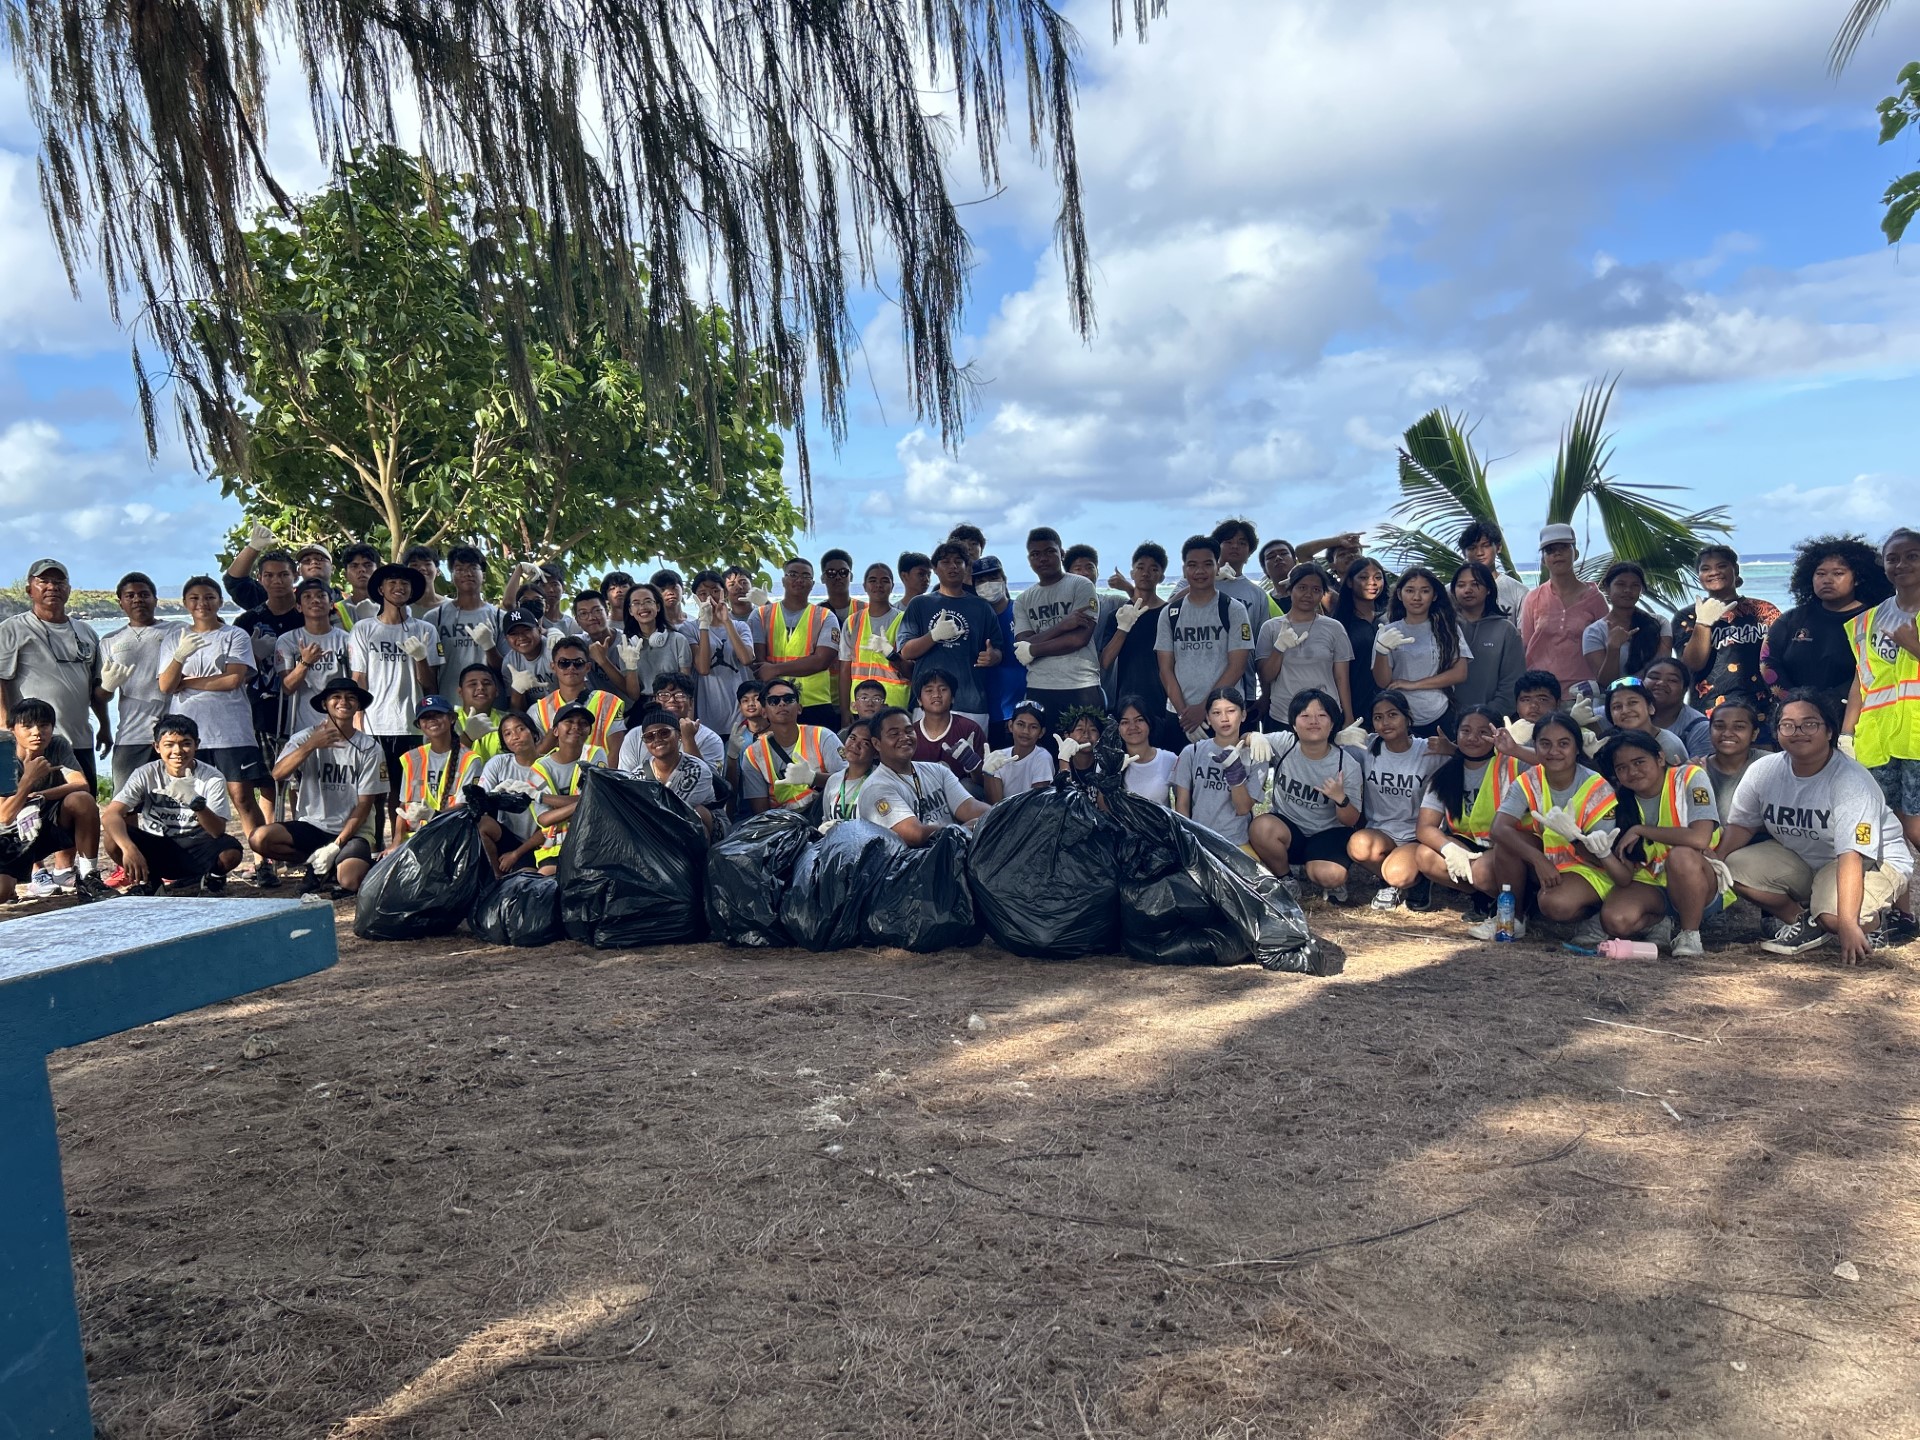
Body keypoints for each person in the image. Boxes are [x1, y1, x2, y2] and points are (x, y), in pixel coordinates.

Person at [1721, 690, 1914, 962]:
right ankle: (1804, 922)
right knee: (1731, 866)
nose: (1798, 731)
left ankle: (1870, 923)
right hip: (1807, 860)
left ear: (1829, 732)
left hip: (1872, 860)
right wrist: (1713, 861)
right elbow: (1741, 825)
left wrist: (1847, 924)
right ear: (1776, 733)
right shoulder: (1764, 770)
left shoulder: (1850, 781)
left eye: (1810, 723)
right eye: (1787, 724)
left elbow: (1851, 856)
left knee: (1835, 917)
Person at [159, 574, 274, 867]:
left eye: (209, 597)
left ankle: (263, 862)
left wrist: (190, 681)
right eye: (194, 598)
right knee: (191, 799)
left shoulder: (234, 635)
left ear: (220, 601)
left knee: (242, 797)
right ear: (185, 603)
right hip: (186, 732)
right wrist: (179, 659)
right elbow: (166, 685)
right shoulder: (175, 636)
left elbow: (233, 679)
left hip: (230, 731)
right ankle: (203, 862)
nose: (202, 603)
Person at [1590, 730, 1730, 958]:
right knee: (1616, 920)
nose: (1632, 772)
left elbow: (1699, 838)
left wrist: (1641, 830)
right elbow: (1626, 870)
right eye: (1622, 767)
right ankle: (1660, 922)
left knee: (1681, 855)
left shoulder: (1689, 777)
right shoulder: (1621, 800)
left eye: (1639, 762)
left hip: (1698, 879)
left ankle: (1690, 934)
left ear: (1660, 758)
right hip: (1652, 881)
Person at [1488, 710, 1619, 945]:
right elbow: (1498, 828)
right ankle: (1513, 920)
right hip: (1550, 860)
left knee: (1555, 904)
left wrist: (1574, 838)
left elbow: (1601, 858)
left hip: (1588, 866)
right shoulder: (1530, 778)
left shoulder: (1597, 787)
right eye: (1545, 744)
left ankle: (1595, 914)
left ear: (1577, 748)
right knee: (1506, 844)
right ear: (1535, 748)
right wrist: (1539, 860)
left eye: (1564, 744)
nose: (1554, 752)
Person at [249, 676, 387, 896]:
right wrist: (311, 745)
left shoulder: (369, 747)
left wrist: (336, 845)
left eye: (351, 698)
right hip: (312, 824)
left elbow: (364, 804)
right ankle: (313, 865)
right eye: (336, 697)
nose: (344, 702)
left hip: (352, 830)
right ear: (324, 704)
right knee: (260, 838)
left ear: (358, 705)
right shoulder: (303, 737)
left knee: (350, 881)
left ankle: (336, 864)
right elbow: (278, 774)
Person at [1842, 528, 1920, 885]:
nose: (1901, 564)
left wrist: (1912, 645)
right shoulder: (1868, 620)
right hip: (1877, 739)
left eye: (1912, 556)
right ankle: (1901, 913)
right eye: (1893, 558)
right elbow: (1862, 678)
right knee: (1887, 829)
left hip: (1917, 738)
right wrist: (1846, 733)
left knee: (1915, 827)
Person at [349, 561, 443, 841]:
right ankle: (373, 846)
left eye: (404, 583)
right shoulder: (364, 629)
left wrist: (421, 657)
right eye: (392, 582)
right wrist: (357, 722)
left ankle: (398, 846)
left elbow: (431, 685)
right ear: (381, 588)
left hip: (411, 724)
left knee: (404, 794)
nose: (399, 587)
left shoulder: (425, 629)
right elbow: (359, 678)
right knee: (374, 792)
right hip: (374, 722)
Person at [101, 713, 243, 893]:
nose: (178, 751)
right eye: (169, 745)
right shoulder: (145, 773)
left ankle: (211, 878)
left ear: (196, 745)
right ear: (157, 747)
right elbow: (109, 816)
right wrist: (129, 849)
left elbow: (217, 831)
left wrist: (195, 802)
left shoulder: (212, 777)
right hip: (157, 844)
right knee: (112, 839)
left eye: (185, 743)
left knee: (231, 852)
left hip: (195, 843)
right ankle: (151, 881)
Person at [0, 558, 108, 786]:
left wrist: (105, 727)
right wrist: (5, 730)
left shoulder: (86, 632)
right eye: (44, 581)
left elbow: (94, 687)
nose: (53, 587)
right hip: (32, 742)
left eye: (59, 582)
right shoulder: (12, 629)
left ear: (68, 589)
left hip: (79, 739)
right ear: (30, 589)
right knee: (25, 809)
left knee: (82, 802)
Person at [1254, 690, 1366, 899]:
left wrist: (1340, 798)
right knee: (1260, 827)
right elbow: (1247, 740)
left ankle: (1315, 867)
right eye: (1305, 716)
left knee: (1330, 877)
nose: (1313, 721)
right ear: (1294, 725)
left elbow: (1351, 818)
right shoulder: (1285, 743)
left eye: (1322, 716)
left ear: (1332, 724)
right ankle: (1286, 878)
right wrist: (1254, 736)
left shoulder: (1346, 763)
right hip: (1289, 829)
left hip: (1327, 833)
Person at [0, 698, 111, 901]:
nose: (37, 732)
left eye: (44, 726)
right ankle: (23, 878)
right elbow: (4, 816)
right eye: (27, 726)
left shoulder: (57, 745)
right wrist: (28, 779)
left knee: (82, 800)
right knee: (2, 892)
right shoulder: (4, 754)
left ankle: (88, 877)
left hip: (43, 822)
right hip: (9, 836)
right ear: (12, 729)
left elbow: (80, 784)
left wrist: (37, 797)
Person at [1347, 690, 1449, 911]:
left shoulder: (1429, 750)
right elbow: (1326, 751)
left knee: (1398, 874)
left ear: (1407, 717)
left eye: (1392, 715)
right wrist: (1338, 737)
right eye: (1378, 717)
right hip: (1381, 832)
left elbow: (1472, 762)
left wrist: (1453, 749)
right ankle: (1393, 882)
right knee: (1357, 846)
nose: (1385, 723)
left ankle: (1418, 878)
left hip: (1417, 836)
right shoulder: (1366, 747)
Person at [1762, 534, 1889, 711]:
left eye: (1838, 573)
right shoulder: (1791, 619)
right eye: (1820, 573)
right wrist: (1796, 702)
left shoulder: (1875, 620)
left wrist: (1829, 702)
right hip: (1794, 716)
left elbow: (1877, 670)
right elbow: (1768, 662)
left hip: (1852, 717)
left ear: (1858, 578)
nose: (1827, 580)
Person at [1413, 706, 1519, 914]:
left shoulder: (1512, 765)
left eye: (1483, 732)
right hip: (1468, 844)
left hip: (1506, 846)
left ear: (1496, 734)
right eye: (1466, 731)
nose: (1473, 738)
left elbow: (1547, 765)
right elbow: (1425, 827)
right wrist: (1449, 849)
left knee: (1481, 871)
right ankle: (1482, 896)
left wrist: (1516, 748)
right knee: (1425, 856)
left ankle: (1514, 904)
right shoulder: (1445, 773)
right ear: (1456, 734)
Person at [1154, 535, 1254, 750]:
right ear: (1184, 569)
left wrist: (1206, 707)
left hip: (1223, 713)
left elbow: (1237, 665)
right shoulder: (1170, 613)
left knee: (1227, 777)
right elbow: (1165, 669)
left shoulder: (1233, 609)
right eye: (1192, 565)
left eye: (1207, 564)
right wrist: (1184, 712)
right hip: (1180, 716)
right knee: (1182, 780)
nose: (1200, 571)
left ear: (1217, 567)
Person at [896, 542, 1002, 731]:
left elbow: (997, 649)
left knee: (973, 760)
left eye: (958, 561)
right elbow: (906, 651)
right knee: (924, 760)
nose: (952, 566)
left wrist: (992, 657)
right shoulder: (919, 604)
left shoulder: (982, 607)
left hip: (971, 704)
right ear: (935, 568)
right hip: (927, 703)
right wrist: (934, 635)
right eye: (945, 562)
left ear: (966, 567)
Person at [858, 707, 992, 846]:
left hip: (953, 853)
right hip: (912, 865)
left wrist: (998, 814)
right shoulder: (875, 788)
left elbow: (969, 808)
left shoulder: (937, 770)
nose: (904, 738)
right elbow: (914, 835)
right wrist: (962, 830)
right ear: (876, 743)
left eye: (909, 731)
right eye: (894, 734)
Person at [227, 548, 307, 779]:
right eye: (269, 575)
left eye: (283, 574)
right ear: (260, 579)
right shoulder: (248, 620)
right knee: (269, 782)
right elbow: (235, 674)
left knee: (304, 778)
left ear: (295, 576)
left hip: (304, 706)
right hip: (262, 710)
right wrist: (254, 657)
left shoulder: (308, 615)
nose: (276, 581)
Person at [100, 572, 183, 792]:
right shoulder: (110, 641)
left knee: (177, 802)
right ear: (121, 603)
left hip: (175, 732)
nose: (138, 599)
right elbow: (101, 696)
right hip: (131, 733)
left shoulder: (177, 630)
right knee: (126, 803)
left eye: (144, 594)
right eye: (130, 595)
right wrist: (107, 686)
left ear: (155, 600)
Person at [1009, 528, 1101, 726]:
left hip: (1081, 684)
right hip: (1039, 686)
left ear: (1062, 553)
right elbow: (1021, 646)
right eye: (1035, 554)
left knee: (1086, 752)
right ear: (1029, 559)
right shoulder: (1023, 600)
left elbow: (1078, 639)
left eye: (1049, 551)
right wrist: (1063, 625)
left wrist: (1032, 649)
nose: (1042, 558)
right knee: (1045, 752)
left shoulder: (1082, 585)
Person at [1673, 544, 1780, 708]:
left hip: (1761, 709)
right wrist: (1703, 622)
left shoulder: (1765, 611)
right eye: (1706, 569)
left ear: (1735, 569)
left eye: (1722, 566)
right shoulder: (1688, 616)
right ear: (1699, 575)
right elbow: (1691, 665)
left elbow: (1782, 659)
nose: (1714, 572)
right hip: (1710, 711)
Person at [1371, 566, 1470, 737]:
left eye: (1424, 591)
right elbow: (1382, 681)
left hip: (1440, 713)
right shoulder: (1388, 631)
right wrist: (1381, 650)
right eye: (1410, 590)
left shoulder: (1448, 629)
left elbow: (1460, 673)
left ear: (1435, 595)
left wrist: (1413, 684)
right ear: (1400, 594)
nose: (1417, 597)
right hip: (1400, 715)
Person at [748, 556, 842, 730]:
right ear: (783, 580)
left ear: (813, 584)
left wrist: (775, 669)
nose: (799, 580)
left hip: (815, 703)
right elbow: (759, 665)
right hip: (776, 702)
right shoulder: (760, 615)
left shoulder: (825, 616)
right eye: (793, 574)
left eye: (806, 576)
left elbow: (822, 661)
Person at [1256, 563, 1354, 728]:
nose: (1308, 594)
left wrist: (1349, 717)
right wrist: (1279, 648)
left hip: (1325, 716)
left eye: (1316, 590)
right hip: (1282, 716)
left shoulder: (1334, 628)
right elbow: (1266, 677)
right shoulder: (1270, 627)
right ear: (1290, 589)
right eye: (1302, 587)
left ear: (1323, 593)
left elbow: (1341, 677)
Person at [1172, 688, 1269, 855]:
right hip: (1199, 841)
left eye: (1231, 711)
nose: (1224, 718)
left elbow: (1243, 808)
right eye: (1216, 713)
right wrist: (1187, 840)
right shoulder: (1192, 752)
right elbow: (1182, 804)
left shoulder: (1256, 756)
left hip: (1236, 843)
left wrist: (1235, 772)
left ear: (1243, 715)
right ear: (1208, 718)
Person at [1517, 523, 1606, 692]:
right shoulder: (1533, 598)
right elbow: (1525, 646)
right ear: (1543, 560)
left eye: (1564, 547)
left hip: (1584, 691)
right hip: (1542, 691)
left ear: (1575, 553)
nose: (1557, 553)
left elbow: (1605, 647)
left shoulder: (1595, 599)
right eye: (1550, 550)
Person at [526, 703, 611, 873]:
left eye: (583, 723)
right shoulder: (539, 768)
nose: (576, 727)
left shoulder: (595, 754)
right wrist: (584, 800)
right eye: (569, 721)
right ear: (555, 731)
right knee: (544, 887)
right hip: (554, 848)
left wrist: (543, 797)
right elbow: (544, 818)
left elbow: (600, 798)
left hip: (592, 844)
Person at [739, 680, 845, 815]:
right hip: (782, 824)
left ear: (799, 708)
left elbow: (850, 782)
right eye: (774, 701)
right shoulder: (753, 754)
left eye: (789, 699)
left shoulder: (822, 736)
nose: (782, 703)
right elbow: (761, 811)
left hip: (825, 814)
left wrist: (813, 778)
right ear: (764, 712)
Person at [389, 696, 481, 844]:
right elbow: (403, 806)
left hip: (452, 836)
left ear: (451, 718)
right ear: (419, 725)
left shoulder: (470, 759)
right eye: (425, 717)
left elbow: (464, 807)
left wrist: (433, 815)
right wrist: (395, 842)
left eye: (438, 714)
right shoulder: (412, 758)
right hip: (414, 839)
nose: (432, 720)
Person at [420, 545, 503, 704]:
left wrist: (489, 645)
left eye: (473, 568)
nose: (467, 573)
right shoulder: (434, 618)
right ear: (452, 576)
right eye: (459, 569)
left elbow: (506, 669)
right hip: (449, 704)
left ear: (483, 575)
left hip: (491, 707)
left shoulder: (498, 616)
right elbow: (431, 669)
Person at [1097, 543, 1170, 716]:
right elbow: (1105, 661)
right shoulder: (1118, 614)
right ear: (1132, 573)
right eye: (1140, 567)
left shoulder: (1169, 614)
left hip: (1164, 700)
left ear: (1161, 577)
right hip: (1126, 700)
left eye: (1154, 569)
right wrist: (1123, 628)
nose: (1146, 573)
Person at [626, 707, 719, 836]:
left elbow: (679, 811)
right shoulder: (637, 775)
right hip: (656, 832)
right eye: (649, 737)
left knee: (696, 814)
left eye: (664, 733)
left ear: (679, 735)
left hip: (702, 828)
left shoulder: (697, 769)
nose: (657, 739)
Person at [1448, 561, 1524, 717]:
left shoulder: (1506, 631)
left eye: (1475, 584)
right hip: (1444, 719)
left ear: (1488, 589)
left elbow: (1511, 685)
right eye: (1461, 585)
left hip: (1491, 722)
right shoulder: (1443, 628)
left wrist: (1484, 717)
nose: (1467, 590)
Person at [275, 577, 354, 722]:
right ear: (299, 607)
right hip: (302, 725)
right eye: (307, 597)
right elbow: (287, 688)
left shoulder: (347, 639)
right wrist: (305, 662)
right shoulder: (288, 640)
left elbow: (356, 681)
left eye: (321, 595)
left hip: (341, 722)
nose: (315, 600)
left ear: (331, 605)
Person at [475, 712, 546, 873]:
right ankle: (495, 881)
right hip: (507, 834)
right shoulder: (499, 763)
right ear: (505, 743)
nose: (515, 736)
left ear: (534, 734)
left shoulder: (547, 765)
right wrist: (494, 795)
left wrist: (515, 855)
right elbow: (481, 799)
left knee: (527, 880)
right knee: (481, 823)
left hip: (538, 840)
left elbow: (550, 825)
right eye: (507, 733)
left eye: (520, 729)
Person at [533, 636, 627, 756]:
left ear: (587, 667)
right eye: (564, 663)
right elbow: (535, 757)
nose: (571, 667)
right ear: (553, 667)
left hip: (599, 771)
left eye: (578, 663)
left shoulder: (609, 702)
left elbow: (616, 751)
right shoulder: (540, 709)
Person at [1582, 561, 1670, 686]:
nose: (1628, 590)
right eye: (1620, 584)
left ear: (1641, 590)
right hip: (1613, 703)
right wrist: (1613, 648)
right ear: (1607, 587)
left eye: (1635, 585)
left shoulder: (1659, 623)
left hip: (1652, 700)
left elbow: (1663, 668)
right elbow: (1606, 683)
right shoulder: (1593, 632)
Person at [838, 560, 909, 712]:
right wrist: (845, 712)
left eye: (885, 581)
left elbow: (911, 670)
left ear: (892, 586)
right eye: (873, 580)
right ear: (864, 586)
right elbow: (845, 670)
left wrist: (891, 654)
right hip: (860, 706)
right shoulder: (852, 622)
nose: (878, 585)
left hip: (893, 704)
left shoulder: (904, 621)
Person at [691, 569, 758, 730]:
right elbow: (703, 668)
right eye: (702, 593)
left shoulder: (740, 626)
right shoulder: (689, 629)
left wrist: (726, 621)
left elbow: (747, 659)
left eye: (715, 591)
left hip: (741, 713)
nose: (709, 597)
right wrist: (704, 625)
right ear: (695, 598)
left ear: (724, 594)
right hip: (708, 716)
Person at [615, 582, 694, 706]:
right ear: (630, 610)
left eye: (648, 601)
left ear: (657, 606)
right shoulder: (627, 646)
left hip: (673, 704)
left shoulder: (678, 640)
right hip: (644, 706)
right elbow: (634, 695)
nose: (642, 607)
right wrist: (631, 666)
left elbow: (686, 689)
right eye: (636, 603)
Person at [1331, 555, 1388, 725]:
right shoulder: (1340, 624)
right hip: (1356, 703)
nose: (1372, 582)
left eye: (1378, 577)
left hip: (1392, 703)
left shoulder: (1392, 617)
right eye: (1363, 577)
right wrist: (1348, 714)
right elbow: (1340, 675)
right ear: (1349, 582)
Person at [911, 669, 988, 790]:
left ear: (952, 698)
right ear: (919, 700)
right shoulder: (910, 734)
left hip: (961, 800)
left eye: (943, 689)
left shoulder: (970, 729)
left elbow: (986, 782)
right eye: (929, 690)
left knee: (968, 787)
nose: (936, 694)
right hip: (922, 799)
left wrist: (973, 765)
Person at [642, 672, 726, 769]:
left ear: (691, 703)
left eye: (680, 695)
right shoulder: (636, 736)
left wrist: (688, 738)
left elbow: (710, 781)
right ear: (654, 700)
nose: (671, 700)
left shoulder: (710, 739)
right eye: (664, 695)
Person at [1599, 677, 1691, 766]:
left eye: (1633, 702)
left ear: (1651, 708)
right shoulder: (1608, 743)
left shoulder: (1668, 746)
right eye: (1617, 706)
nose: (1625, 710)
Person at [982, 699, 1056, 802]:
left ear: (1041, 733)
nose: (1026, 731)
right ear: (1011, 726)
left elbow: (1035, 803)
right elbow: (994, 804)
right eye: (1020, 724)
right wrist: (988, 774)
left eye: (1033, 727)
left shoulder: (1043, 757)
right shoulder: (1000, 756)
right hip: (1002, 813)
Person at [1702, 694, 1762, 815]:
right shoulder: (1697, 769)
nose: (1727, 733)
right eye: (1719, 726)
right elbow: (1700, 814)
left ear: (1754, 734)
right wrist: (1699, 781)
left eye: (1739, 727)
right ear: (1709, 730)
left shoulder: (1769, 765)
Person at [1641, 657, 1713, 758]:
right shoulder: (1629, 716)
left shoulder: (1700, 728)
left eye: (1672, 680)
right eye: (1654, 677)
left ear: (1684, 689)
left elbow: (1701, 771)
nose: (1661, 683)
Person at [1458, 518, 1530, 617]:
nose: (1479, 553)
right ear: (1464, 553)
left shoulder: (1518, 591)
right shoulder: (1450, 592)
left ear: (1498, 547)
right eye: (1472, 548)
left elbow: (1523, 631)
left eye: (1486, 546)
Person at [1115, 696, 1178, 805]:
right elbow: (1103, 809)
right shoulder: (1109, 761)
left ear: (1150, 723)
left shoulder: (1169, 759)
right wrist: (1112, 775)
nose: (1132, 727)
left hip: (1160, 822)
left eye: (1139, 720)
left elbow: (1183, 804)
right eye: (1125, 722)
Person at [823, 716, 878, 824]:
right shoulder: (833, 780)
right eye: (852, 738)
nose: (855, 745)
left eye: (865, 743)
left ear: (876, 752)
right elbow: (826, 819)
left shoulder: (880, 782)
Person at [499, 607, 554, 706]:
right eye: (513, 634)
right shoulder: (509, 662)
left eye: (526, 630)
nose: (521, 637)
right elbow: (517, 711)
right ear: (506, 638)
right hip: (533, 714)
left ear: (539, 629)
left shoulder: (552, 649)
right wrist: (517, 690)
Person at [453, 665, 509, 763]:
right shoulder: (447, 720)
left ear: (496, 691)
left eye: (486, 683)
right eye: (473, 684)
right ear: (460, 692)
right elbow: (441, 762)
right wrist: (467, 737)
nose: (481, 687)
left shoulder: (508, 721)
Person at [650, 568, 702, 642]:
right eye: (662, 590)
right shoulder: (653, 626)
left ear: (682, 589)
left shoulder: (694, 623)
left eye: (673, 587)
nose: (669, 592)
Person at [338, 543, 381, 623]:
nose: (361, 570)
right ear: (346, 575)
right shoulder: (335, 611)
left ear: (379, 571)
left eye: (368, 565)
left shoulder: (392, 607)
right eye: (354, 566)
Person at [818, 549, 855, 624]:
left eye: (843, 572)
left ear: (851, 577)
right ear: (822, 578)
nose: (838, 577)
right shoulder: (816, 613)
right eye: (831, 572)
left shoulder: (866, 610)